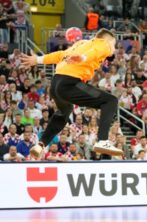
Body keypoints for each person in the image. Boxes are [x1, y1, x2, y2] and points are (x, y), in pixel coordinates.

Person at [20, 28, 123, 158]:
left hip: (56, 84)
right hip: (70, 83)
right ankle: (103, 141)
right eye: (113, 45)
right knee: (111, 101)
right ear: (107, 40)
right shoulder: (103, 44)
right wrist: (83, 58)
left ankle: (40, 144)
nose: (113, 49)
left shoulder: (80, 44)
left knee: (64, 112)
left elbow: (60, 55)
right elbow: (95, 52)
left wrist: (38, 60)